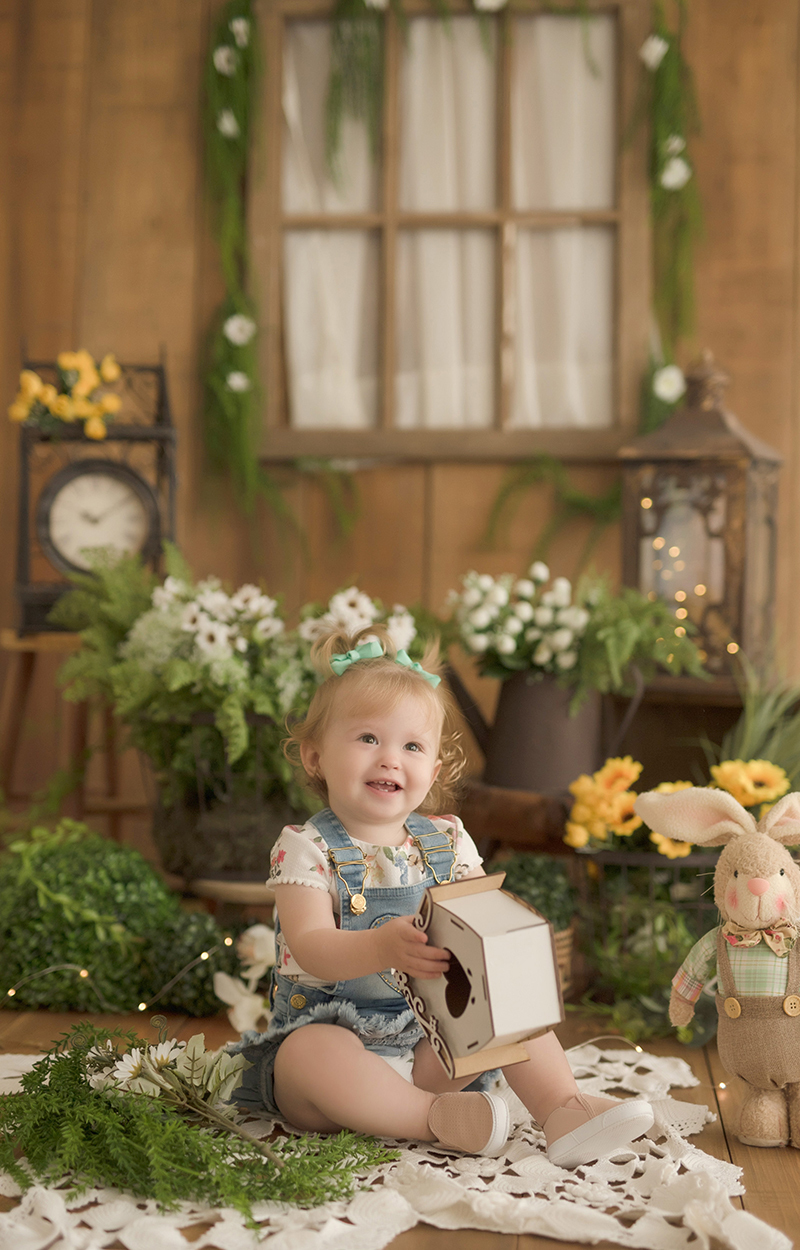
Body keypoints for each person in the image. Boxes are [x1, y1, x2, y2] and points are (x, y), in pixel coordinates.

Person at [231, 628, 654, 1167]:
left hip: (431, 1045)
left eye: (411, 746)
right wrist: (380, 947)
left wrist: (506, 946)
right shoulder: (305, 848)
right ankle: (435, 1119)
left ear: (431, 772)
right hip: (336, 1053)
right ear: (314, 756)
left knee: (506, 998)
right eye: (367, 739)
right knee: (307, 1056)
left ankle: (562, 1109)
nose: (390, 759)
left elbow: (476, 923)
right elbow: (310, 944)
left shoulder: (447, 841)